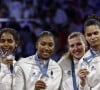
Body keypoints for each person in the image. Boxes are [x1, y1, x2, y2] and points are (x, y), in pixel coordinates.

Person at [78, 14, 100, 90]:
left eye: (95, 33)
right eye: (89, 35)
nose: (93, 37)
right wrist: (82, 82)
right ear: (85, 36)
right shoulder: (83, 61)